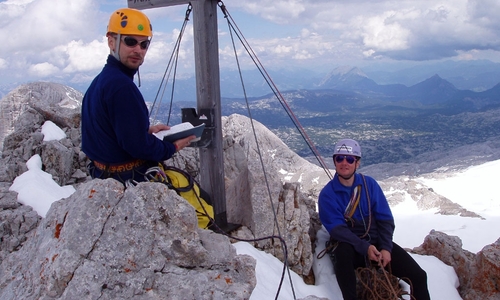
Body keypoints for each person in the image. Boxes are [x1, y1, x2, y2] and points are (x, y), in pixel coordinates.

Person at [81, 8, 195, 185]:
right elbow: (137, 146)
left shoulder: (103, 80)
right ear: (112, 42)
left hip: (103, 176)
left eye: (144, 44)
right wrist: (171, 147)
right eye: (130, 41)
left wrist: (142, 130)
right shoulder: (121, 86)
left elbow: (105, 129)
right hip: (129, 179)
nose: (138, 50)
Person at [318, 139, 430, 300]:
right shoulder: (328, 194)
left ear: (357, 163)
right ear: (334, 161)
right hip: (350, 246)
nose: (344, 163)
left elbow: (385, 219)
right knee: (343, 257)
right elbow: (337, 229)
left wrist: (386, 247)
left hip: (377, 244)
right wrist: (365, 247)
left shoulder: (369, 185)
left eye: (350, 159)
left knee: (418, 276)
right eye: (339, 158)